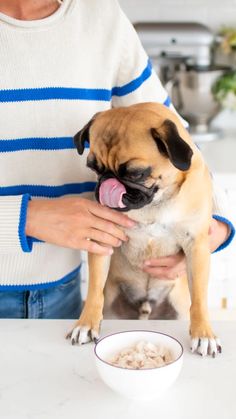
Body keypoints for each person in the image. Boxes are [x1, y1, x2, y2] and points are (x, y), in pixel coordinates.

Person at [0, 0, 234, 319]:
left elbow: (177, 137)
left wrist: (214, 225)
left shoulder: (100, 15)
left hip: (64, 293)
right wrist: (27, 219)